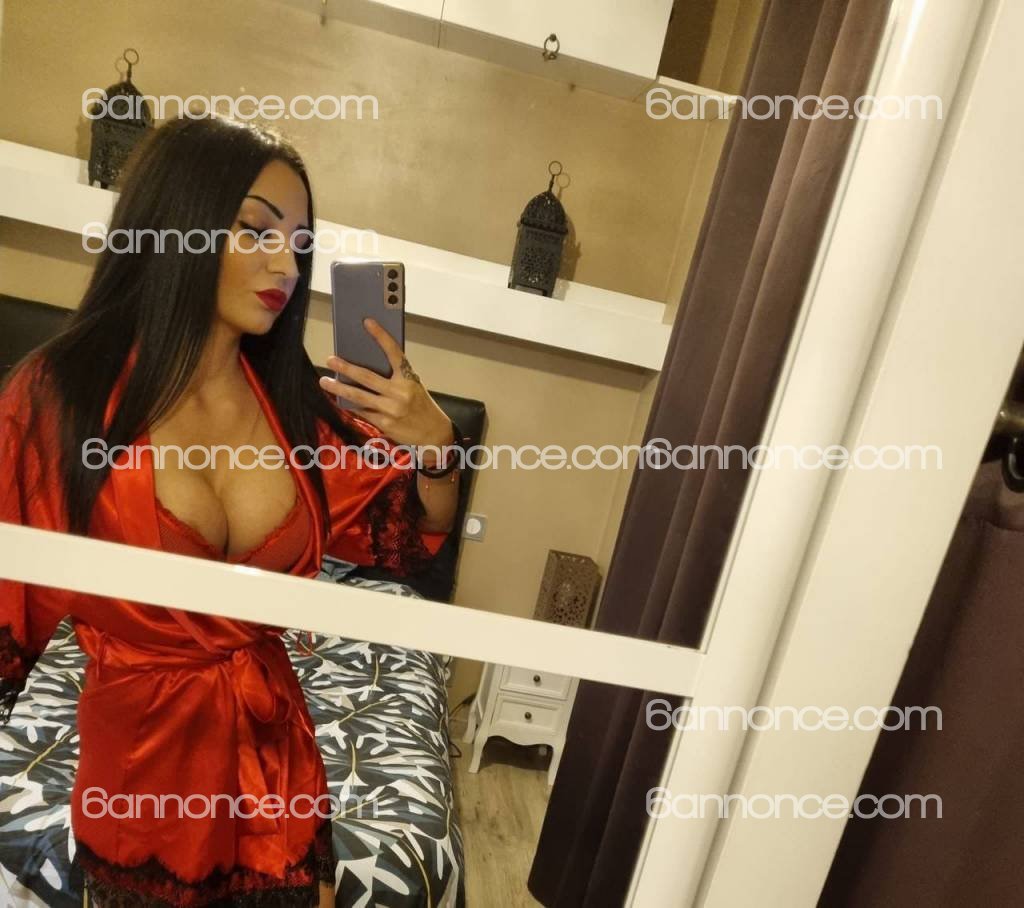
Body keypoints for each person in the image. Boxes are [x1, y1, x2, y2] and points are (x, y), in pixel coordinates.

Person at [0, 114, 460, 906]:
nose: (286, 264)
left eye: (299, 244)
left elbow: (410, 542)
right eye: (256, 230)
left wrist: (438, 445)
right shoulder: (62, 398)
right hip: (142, 774)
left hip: (278, 766)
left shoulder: (294, 406)